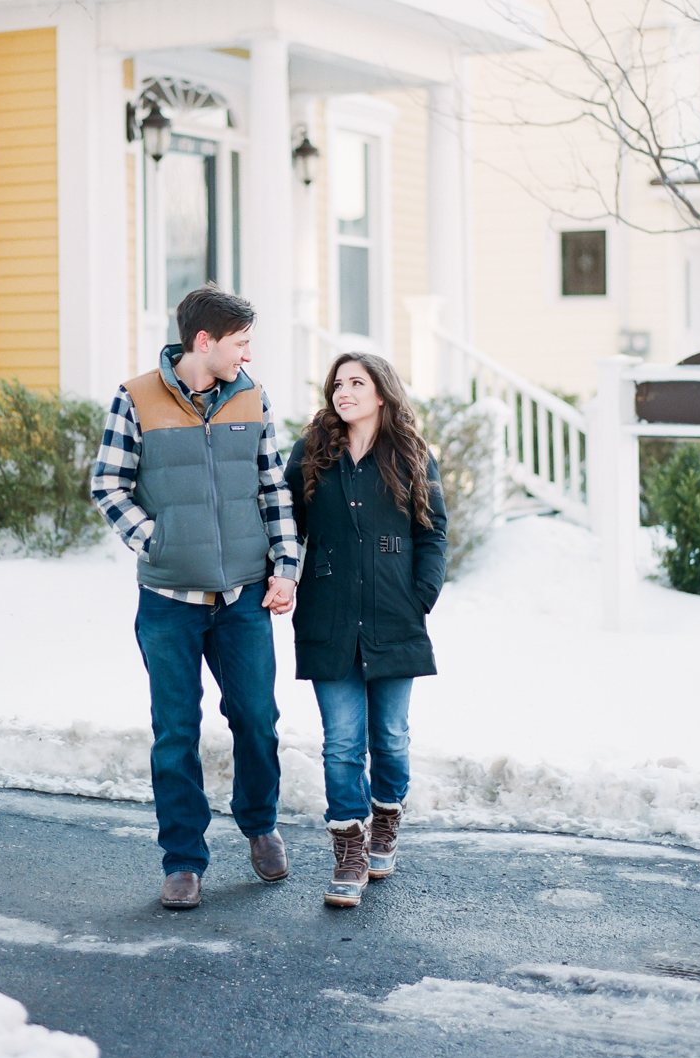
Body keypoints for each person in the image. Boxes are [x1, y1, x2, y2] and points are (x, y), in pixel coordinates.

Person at [92, 286, 299, 910]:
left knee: (257, 721)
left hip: (242, 597)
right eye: (240, 343)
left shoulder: (252, 396)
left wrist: (285, 566)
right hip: (168, 601)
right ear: (203, 341)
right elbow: (108, 484)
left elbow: (273, 486)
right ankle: (183, 861)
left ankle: (260, 825)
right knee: (175, 731)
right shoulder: (135, 399)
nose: (248, 354)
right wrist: (156, 540)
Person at [284, 353, 447, 909]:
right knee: (341, 744)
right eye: (338, 383)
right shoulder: (311, 453)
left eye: (357, 382)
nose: (344, 391)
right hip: (328, 615)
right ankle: (349, 848)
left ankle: (386, 818)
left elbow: (433, 533)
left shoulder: (411, 454)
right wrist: (283, 572)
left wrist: (420, 596)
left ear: (382, 393)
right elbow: (282, 521)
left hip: (394, 615)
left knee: (392, 740)